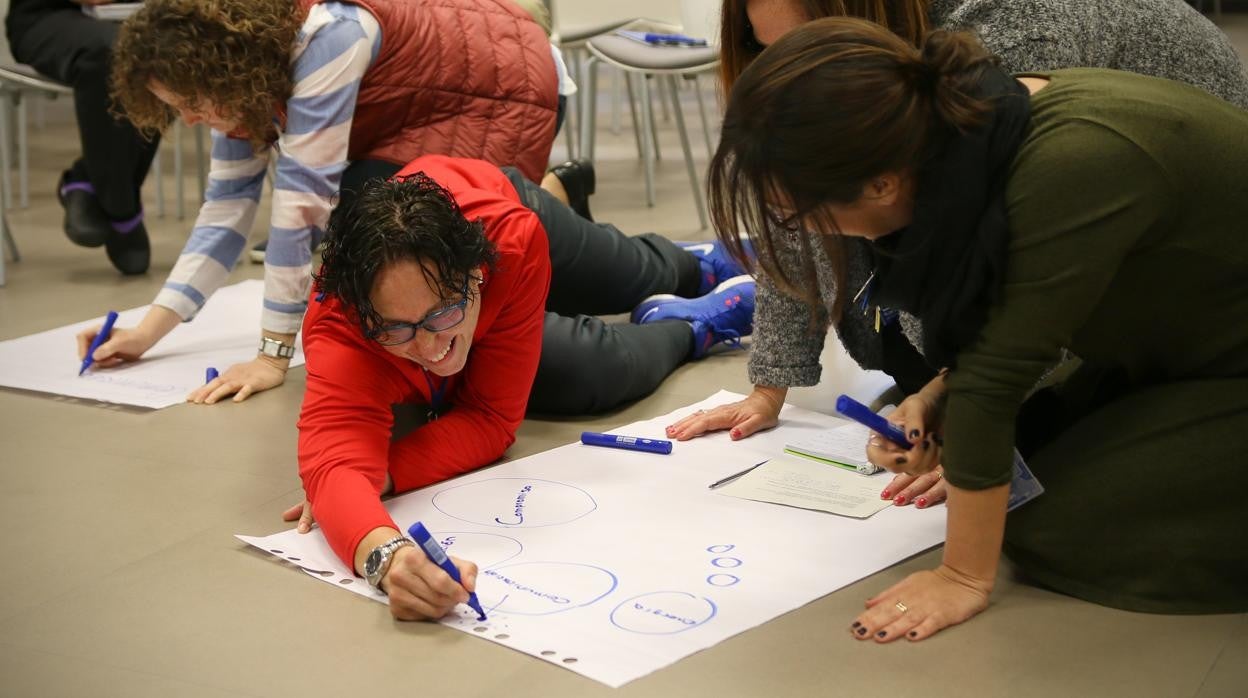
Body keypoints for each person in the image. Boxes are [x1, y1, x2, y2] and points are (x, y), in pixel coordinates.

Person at [689, 17, 1248, 638]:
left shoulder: (1069, 162)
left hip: (1223, 361)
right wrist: (932, 399)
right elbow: (1000, 341)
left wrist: (962, 576)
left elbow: (1001, 371)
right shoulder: (976, 129)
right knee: (1020, 465)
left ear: (881, 183)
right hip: (1187, 348)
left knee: (1052, 524)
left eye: (807, 214)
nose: (814, 234)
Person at [286, 155, 754, 619]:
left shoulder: (510, 240)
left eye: (443, 313)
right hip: (474, 314)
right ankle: (692, 326)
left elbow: (489, 420)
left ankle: (695, 265)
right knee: (598, 370)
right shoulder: (340, 319)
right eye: (396, 329)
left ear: (476, 276)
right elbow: (337, 459)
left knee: (635, 276)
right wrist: (387, 555)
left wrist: (360, 481)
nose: (430, 350)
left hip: (504, 207)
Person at [72, 0, 560, 402]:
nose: (192, 120)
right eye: (178, 109)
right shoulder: (243, 81)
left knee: (399, 229)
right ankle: (560, 196)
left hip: (501, 88)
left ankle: (551, 201)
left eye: (192, 103)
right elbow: (226, 206)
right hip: (412, 112)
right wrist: (146, 333)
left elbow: (302, 206)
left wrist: (272, 355)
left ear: (220, 71)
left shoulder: (331, 33)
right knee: (368, 211)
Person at [6, 0, 159, 275]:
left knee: (174, 51)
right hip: (47, 17)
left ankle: (87, 179)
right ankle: (122, 210)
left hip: (136, 16)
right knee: (115, 50)